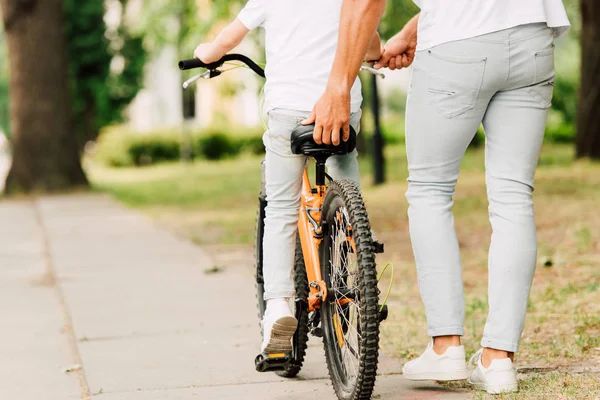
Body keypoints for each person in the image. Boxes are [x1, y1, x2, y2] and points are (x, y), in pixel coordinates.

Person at [310, 0, 570, 395]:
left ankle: (445, 345)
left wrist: (337, 87)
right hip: (533, 34)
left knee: (431, 191)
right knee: (514, 196)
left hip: (457, 48)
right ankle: (499, 360)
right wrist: (417, 28)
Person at [193, 0, 383, 354]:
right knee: (346, 185)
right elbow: (370, 41)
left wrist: (206, 53)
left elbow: (226, 40)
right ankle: (355, 236)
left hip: (289, 111)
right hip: (343, 109)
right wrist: (375, 54)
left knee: (281, 207)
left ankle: (279, 304)